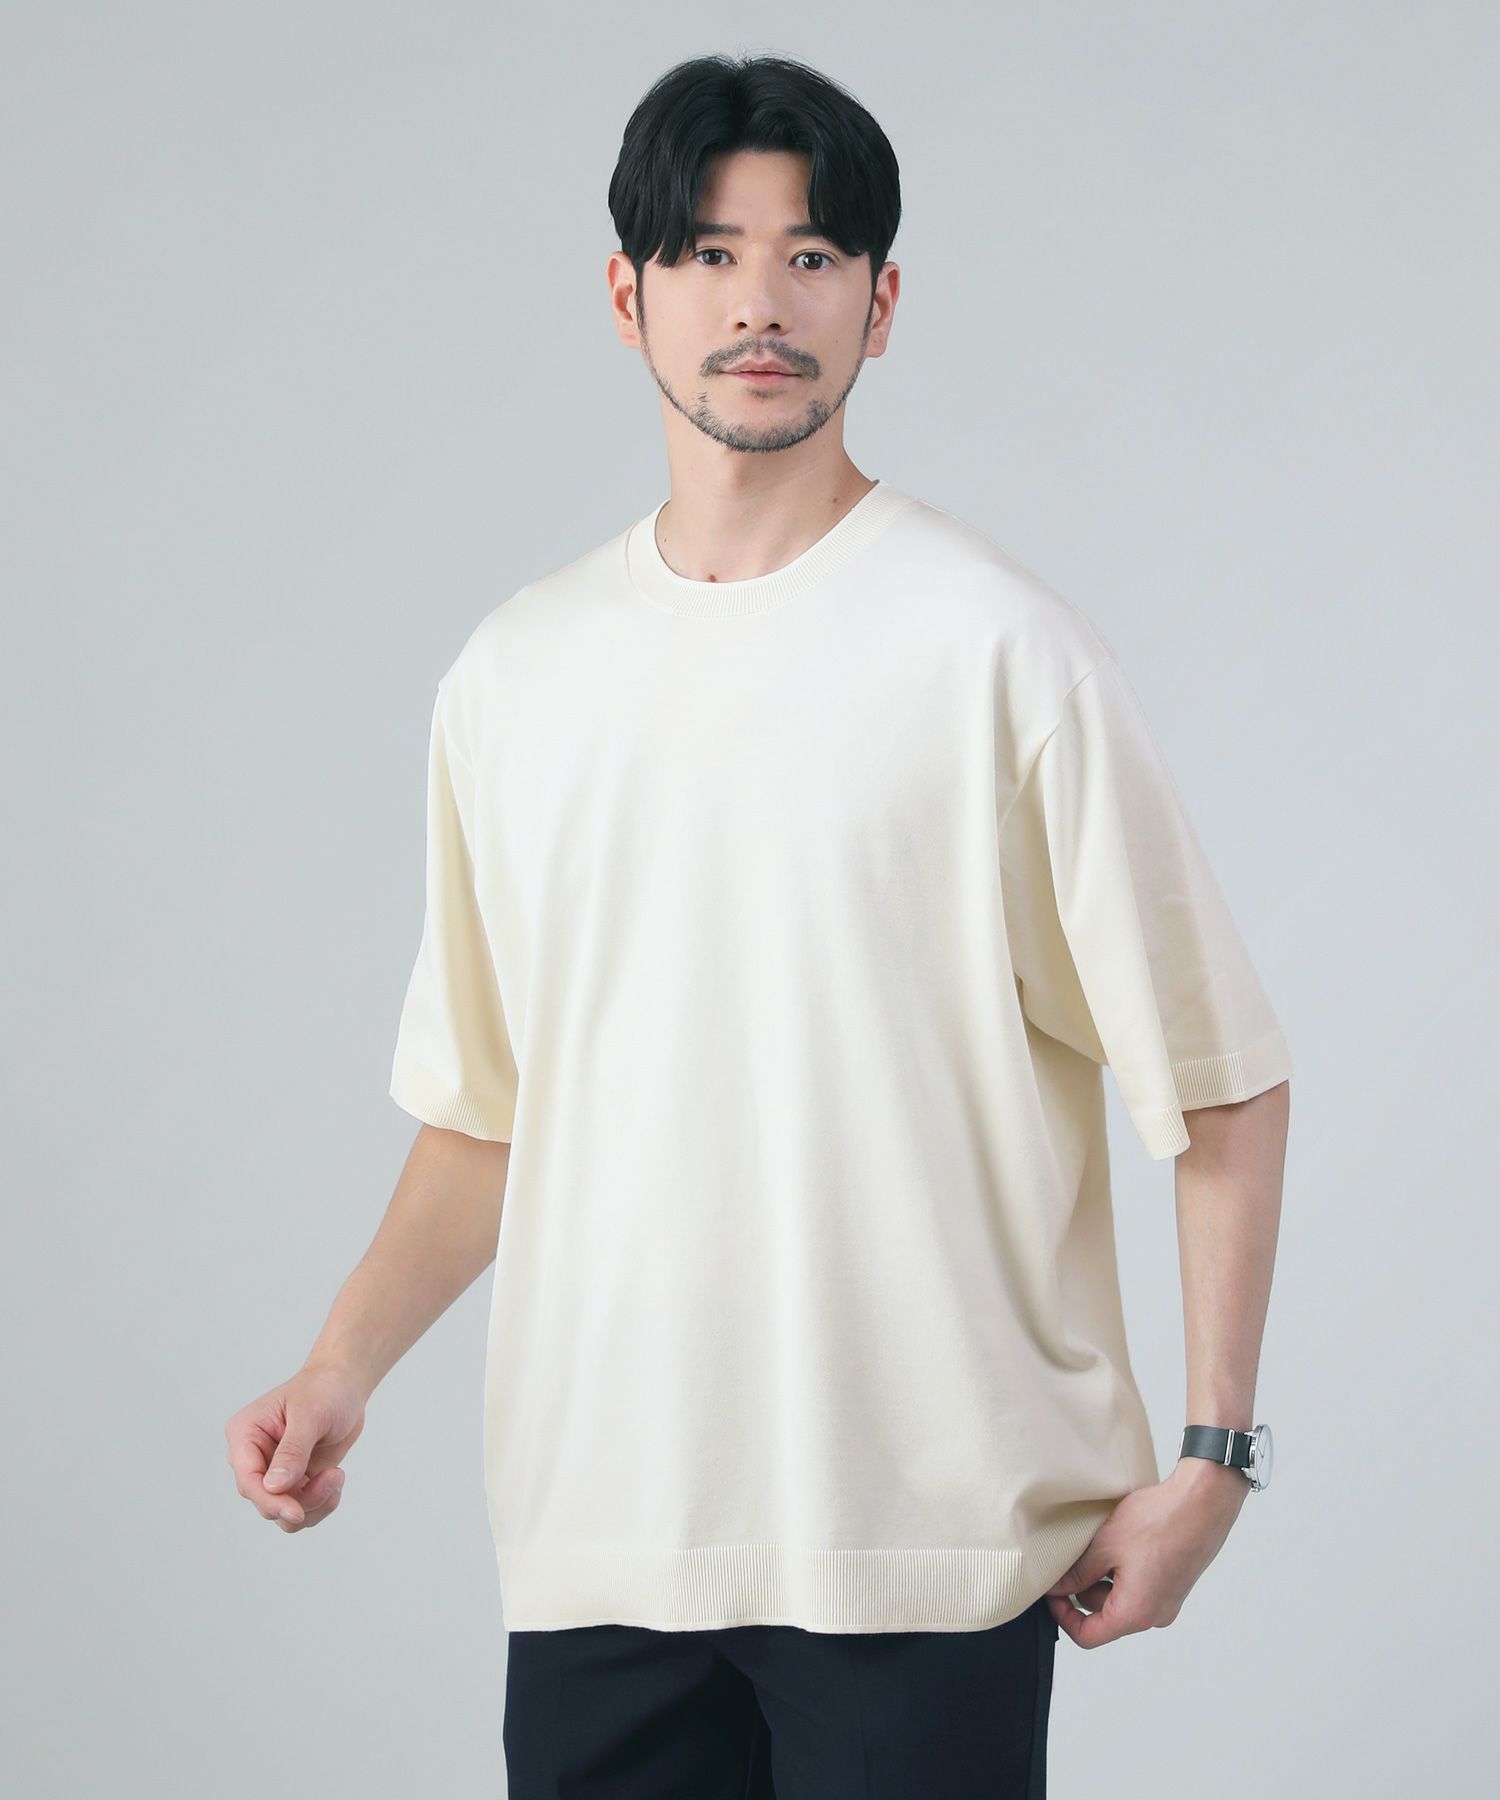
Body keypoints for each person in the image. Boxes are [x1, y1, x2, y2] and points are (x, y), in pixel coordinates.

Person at [225, 52, 1293, 1798]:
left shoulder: (999, 653)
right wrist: (342, 1365)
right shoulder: (515, 676)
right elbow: (493, 1108)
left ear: (882, 302)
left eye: (810, 256)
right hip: (601, 1546)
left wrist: (1216, 1459)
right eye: (709, 254)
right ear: (626, 295)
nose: (759, 305)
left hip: (924, 1553)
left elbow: (1222, 1078)